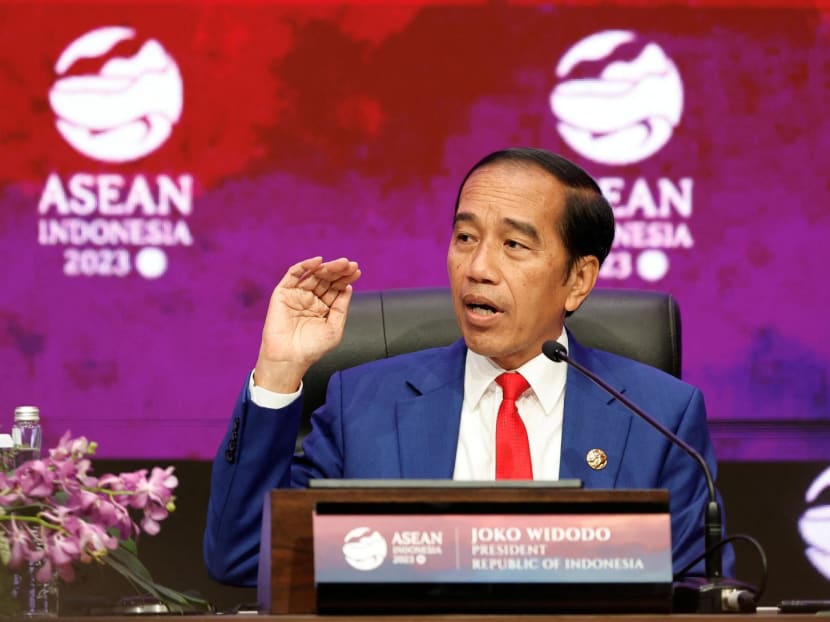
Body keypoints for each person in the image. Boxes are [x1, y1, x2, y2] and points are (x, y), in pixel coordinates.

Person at [203, 147, 732, 586]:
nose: (478, 268)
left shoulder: (658, 416)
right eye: (465, 238)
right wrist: (278, 370)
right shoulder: (364, 405)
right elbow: (247, 555)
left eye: (514, 245)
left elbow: (695, 593)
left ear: (578, 279)